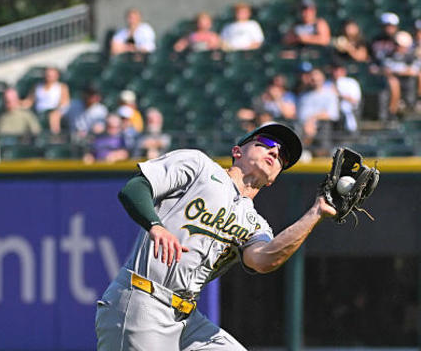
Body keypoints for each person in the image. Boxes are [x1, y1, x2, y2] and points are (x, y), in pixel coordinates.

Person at [95, 122, 336, 350]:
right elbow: (135, 188)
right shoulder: (199, 166)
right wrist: (155, 226)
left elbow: (264, 260)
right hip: (143, 300)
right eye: (265, 142)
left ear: (274, 179)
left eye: (283, 156)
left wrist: (316, 213)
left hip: (186, 320)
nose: (275, 152)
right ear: (237, 151)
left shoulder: (256, 225)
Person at [297, 68, 340, 152]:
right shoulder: (303, 96)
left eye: (317, 77)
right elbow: (301, 116)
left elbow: (332, 114)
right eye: (312, 77)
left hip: (324, 130)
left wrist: (313, 119)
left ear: (323, 78)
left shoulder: (330, 94)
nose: (314, 80)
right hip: (305, 129)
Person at [382, 30, 420, 118]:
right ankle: (391, 113)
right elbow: (387, 69)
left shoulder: (411, 57)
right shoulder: (388, 55)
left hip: (410, 84)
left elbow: (414, 70)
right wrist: (403, 71)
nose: (398, 47)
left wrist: (401, 71)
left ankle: (418, 101)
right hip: (392, 85)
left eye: (400, 45)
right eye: (396, 44)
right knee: (393, 82)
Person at [21, 66, 70, 134]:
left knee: (54, 116)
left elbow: (65, 102)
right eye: (47, 75)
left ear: (56, 76)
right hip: (40, 112)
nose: (48, 77)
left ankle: (55, 136)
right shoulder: (37, 87)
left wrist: (57, 110)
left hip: (56, 111)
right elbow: (29, 101)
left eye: (51, 75)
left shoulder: (61, 87)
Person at [331, 63, 362, 133]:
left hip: (347, 113)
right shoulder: (327, 83)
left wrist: (339, 95)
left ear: (344, 71)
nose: (335, 73)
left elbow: (355, 100)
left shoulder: (351, 82)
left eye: (338, 70)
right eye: (334, 70)